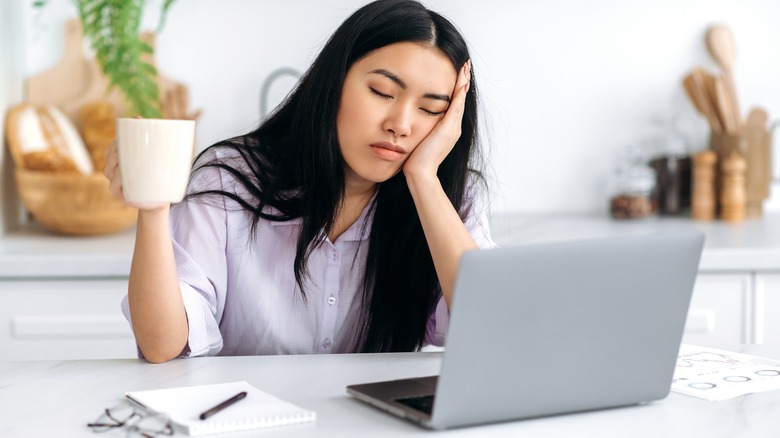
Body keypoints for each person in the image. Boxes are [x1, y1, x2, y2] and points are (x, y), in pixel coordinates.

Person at [105, 0, 495, 363]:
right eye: (382, 92)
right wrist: (154, 209)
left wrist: (424, 179)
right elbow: (162, 347)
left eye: (430, 109)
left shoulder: (451, 202)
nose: (401, 125)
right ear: (334, 82)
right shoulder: (230, 181)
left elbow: (489, 328)